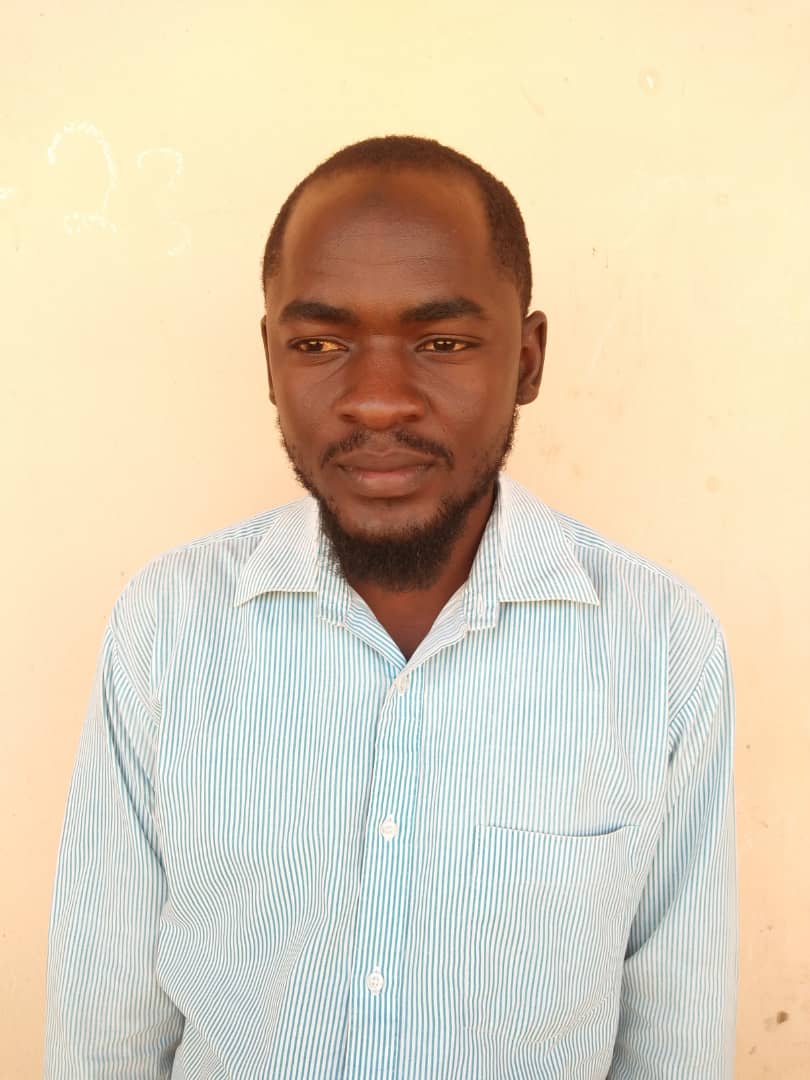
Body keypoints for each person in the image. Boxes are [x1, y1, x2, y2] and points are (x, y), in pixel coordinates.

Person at [44, 135, 737, 1078]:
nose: (376, 401)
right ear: (270, 362)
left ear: (529, 359)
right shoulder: (166, 627)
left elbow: (674, 1050)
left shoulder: (663, 649)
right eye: (319, 344)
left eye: (442, 343)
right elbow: (105, 1036)